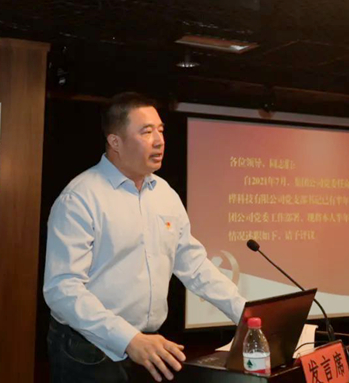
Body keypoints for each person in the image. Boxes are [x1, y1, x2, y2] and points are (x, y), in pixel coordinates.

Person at [43, 92, 245, 383]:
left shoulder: (164, 194)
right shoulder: (80, 198)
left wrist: (246, 316)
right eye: (146, 132)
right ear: (115, 142)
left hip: (147, 345)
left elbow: (195, 266)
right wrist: (128, 339)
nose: (159, 141)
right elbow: (62, 289)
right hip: (89, 348)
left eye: (161, 130)